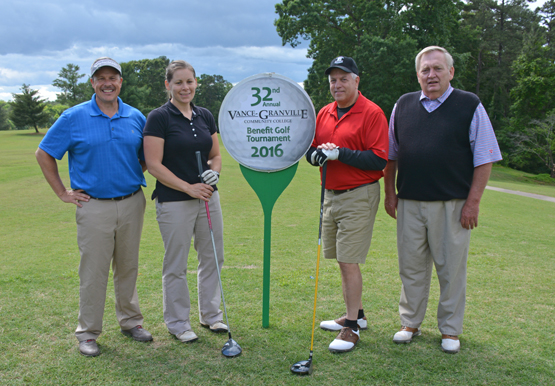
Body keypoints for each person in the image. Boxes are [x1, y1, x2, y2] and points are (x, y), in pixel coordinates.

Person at [384, 46, 502, 354]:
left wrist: (473, 202)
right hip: (409, 202)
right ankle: (410, 323)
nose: (431, 74)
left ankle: (450, 330)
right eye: (425, 70)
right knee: (410, 267)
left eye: (438, 68)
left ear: (451, 72)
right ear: (418, 75)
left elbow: (485, 158)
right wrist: (390, 194)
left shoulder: (469, 105)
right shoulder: (404, 104)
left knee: (450, 270)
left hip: (452, 205)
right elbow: (390, 155)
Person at [35, 57, 152, 357]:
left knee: (128, 267)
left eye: (113, 77)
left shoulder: (136, 117)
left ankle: (130, 322)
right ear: (92, 83)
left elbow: (147, 157)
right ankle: (87, 333)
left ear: (121, 82)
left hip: (131, 203)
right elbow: (44, 153)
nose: (107, 82)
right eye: (101, 78)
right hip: (93, 206)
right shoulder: (73, 117)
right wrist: (62, 192)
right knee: (94, 272)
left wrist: (132, 173)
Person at [306, 56, 389, 353]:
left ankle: (351, 327)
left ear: (356, 81)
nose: (337, 84)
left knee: (348, 259)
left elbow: (379, 158)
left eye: (343, 78)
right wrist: (316, 156)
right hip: (330, 193)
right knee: (341, 257)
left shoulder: (372, 113)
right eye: (333, 79)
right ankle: (359, 315)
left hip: (359, 193)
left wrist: (340, 154)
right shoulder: (324, 113)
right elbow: (312, 149)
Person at [143, 60, 226, 344]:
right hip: (174, 200)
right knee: (176, 263)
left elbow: (216, 155)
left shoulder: (204, 115)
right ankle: (178, 323)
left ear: (196, 83)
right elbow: (154, 165)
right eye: (178, 82)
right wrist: (188, 188)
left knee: (213, 257)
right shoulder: (159, 117)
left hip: (208, 199)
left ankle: (211, 316)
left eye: (189, 81)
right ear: (168, 85)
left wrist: (213, 172)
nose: (184, 87)